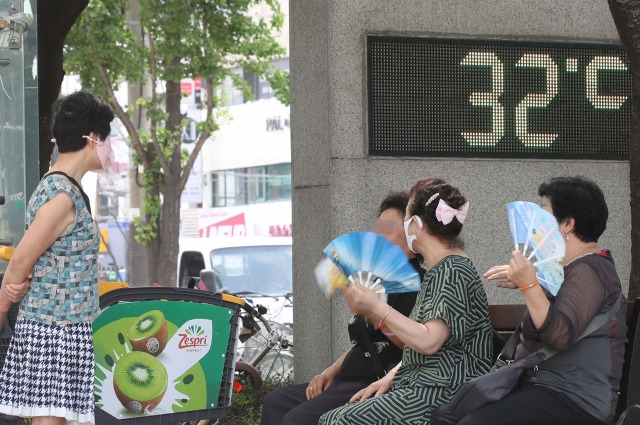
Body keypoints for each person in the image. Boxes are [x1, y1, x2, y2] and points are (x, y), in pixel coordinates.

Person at [432, 176, 627, 425]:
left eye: (544, 215)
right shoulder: (569, 270)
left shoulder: (590, 268)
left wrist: (530, 285)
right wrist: (536, 283)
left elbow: (559, 335)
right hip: (543, 388)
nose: (536, 225)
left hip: (574, 399)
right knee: (445, 416)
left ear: (568, 223)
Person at [319, 178, 493, 425]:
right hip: (424, 385)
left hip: (440, 392)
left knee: (335, 421)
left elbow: (429, 341)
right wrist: (391, 376)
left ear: (416, 225)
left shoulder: (452, 270)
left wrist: (377, 307)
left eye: (406, 220)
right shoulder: (443, 268)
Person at [0, 91, 115, 425]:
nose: (110, 148)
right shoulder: (62, 195)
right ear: (92, 138)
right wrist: (4, 304)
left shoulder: (68, 188)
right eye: (107, 138)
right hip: (54, 331)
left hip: (65, 327)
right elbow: (21, 260)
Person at [261, 191, 423, 425]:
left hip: (376, 383)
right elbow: (364, 343)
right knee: (275, 401)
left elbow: (410, 343)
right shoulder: (379, 281)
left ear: (410, 231)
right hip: (346, 379)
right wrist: (329, 372)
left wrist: (374, 312)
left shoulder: (416, 282)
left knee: (296, 420)